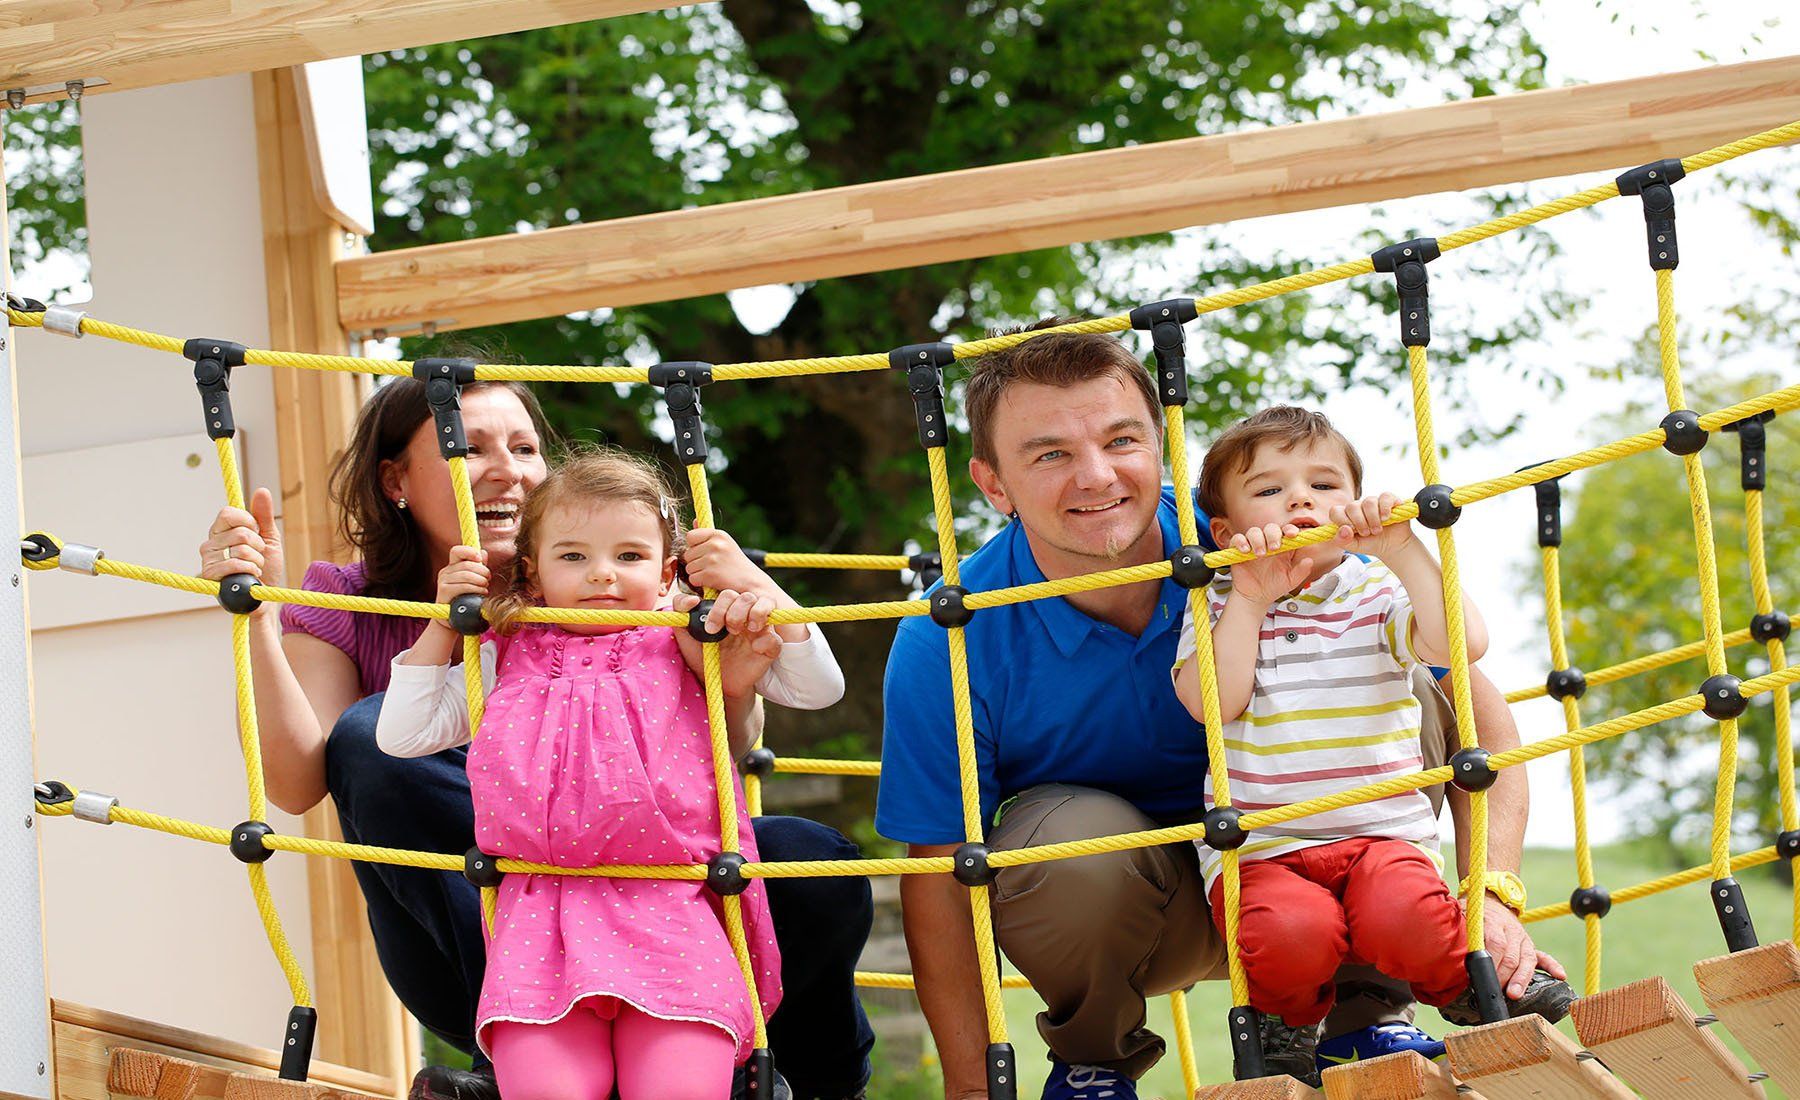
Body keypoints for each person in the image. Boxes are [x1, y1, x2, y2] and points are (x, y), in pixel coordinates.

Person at [876, 320, 1564, 1099]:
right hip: (1149, 917)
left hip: (1339, 878)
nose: (1098, 477)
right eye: (1050, 454)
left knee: (1397, 672)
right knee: (1054, 839)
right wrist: (973, 1091)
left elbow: (1478, 722)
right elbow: (938, 876)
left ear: (1161, 444)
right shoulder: (951, 635)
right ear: (993, 484)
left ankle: (1365, 1015)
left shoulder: (1261, 531)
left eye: (1122, 440)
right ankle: (1094, 1062)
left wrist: (1490, 900)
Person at [199, 377, 875, 1100]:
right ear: (395, 479)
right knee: (366, 733)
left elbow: (743, 734)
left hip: (662, 883)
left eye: (525, 447)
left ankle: (784, 1077)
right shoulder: (379, 609)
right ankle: (516, 1055)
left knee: (813, 858)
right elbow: (305, 781)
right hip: (505, 910)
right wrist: (257, 613)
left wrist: (731, 638)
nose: (507, 468)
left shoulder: (648, 603)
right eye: (469, 446)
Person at [374, 449, 845, 1100]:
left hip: (670, 906)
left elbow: (820, 686)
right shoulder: (504, 655)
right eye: (573, 556)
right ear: (533, 573)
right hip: (543, 914)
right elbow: (402, 734)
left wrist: (747, 579)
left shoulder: (687, 639)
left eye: (628, 556)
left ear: (666, 570)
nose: (602, 574)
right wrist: (443, 622)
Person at [1173, 406, 1571, 1053]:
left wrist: (1402, 549)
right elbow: (1211, 702)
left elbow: (1463, 643)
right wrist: (1249, 597)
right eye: (1270, 490)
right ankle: (1289, 1022)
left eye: (1324, 486)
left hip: (1378, 833)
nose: (1300, 497)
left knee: (1407, 914)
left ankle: (1475, 985)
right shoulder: (1217, 602)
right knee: (1289, 935)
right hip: (1264, 848)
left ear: (1353, 505)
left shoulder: (1374, 590)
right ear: (1225, 529)